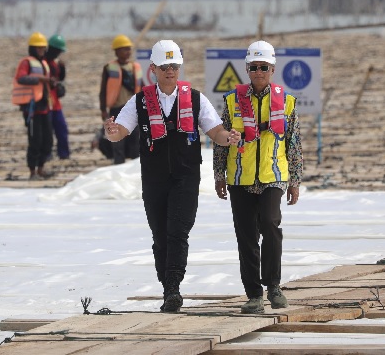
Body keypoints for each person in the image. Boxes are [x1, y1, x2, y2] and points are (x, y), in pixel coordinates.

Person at [104, 39, 241, 313]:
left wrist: (229, 138)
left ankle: (173, 288)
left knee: (178, 232)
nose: (171, 71)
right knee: (160, 235)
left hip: (186, 177)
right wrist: (111, 131)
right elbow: (121, 132)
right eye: (165, 67)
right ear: (153, 68)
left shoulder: (195, 99)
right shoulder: (140, 101)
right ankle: (167, 286)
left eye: (175, 66)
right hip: (154, 179)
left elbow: (216, 131)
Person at [213, 40, 303, 314]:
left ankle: (273, 286)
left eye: (264, 67)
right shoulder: (232, 101)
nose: (259, 72)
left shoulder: (287, 102)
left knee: (270, 225)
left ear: (272, 69)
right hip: (240, 178)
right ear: (247, 69)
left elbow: (294, 143)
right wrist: (219, 174)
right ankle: (254, 294)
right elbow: (220, 141)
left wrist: (295, 180)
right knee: (246, 236)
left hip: (273, 176)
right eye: (254, 67)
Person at [11, 32, 55, 180]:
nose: (42, 51)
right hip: (32, 108)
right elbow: (21, 78)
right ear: (32, 49)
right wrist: (41, 78)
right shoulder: (26, 62)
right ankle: (32, 172)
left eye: (43, 48)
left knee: (47, 140)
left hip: (45, 107)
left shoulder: (44, 64)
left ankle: (41, 169)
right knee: (35, 140)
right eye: (39, 48)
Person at [99, 34, 143, 164]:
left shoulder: (135, 68)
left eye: (129, 49)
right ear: (116, 51)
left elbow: (142, 87)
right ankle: (119, 166)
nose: (127, 52)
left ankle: (134, 168)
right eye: (124, 49)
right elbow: (103, 90)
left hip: (133, 110)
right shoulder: (109, 68)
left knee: (135, 139)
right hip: (116, 109)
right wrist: (103, 109)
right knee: (117, 141)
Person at [46, 34, 70, 160]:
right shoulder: (43, 63)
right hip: (45, 103)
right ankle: (47, 155)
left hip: (55, 103)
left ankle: (64, 154)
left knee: (62, 129)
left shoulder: (56, 64)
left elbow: (60, 80)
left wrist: (62, 70)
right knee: (46, 132)